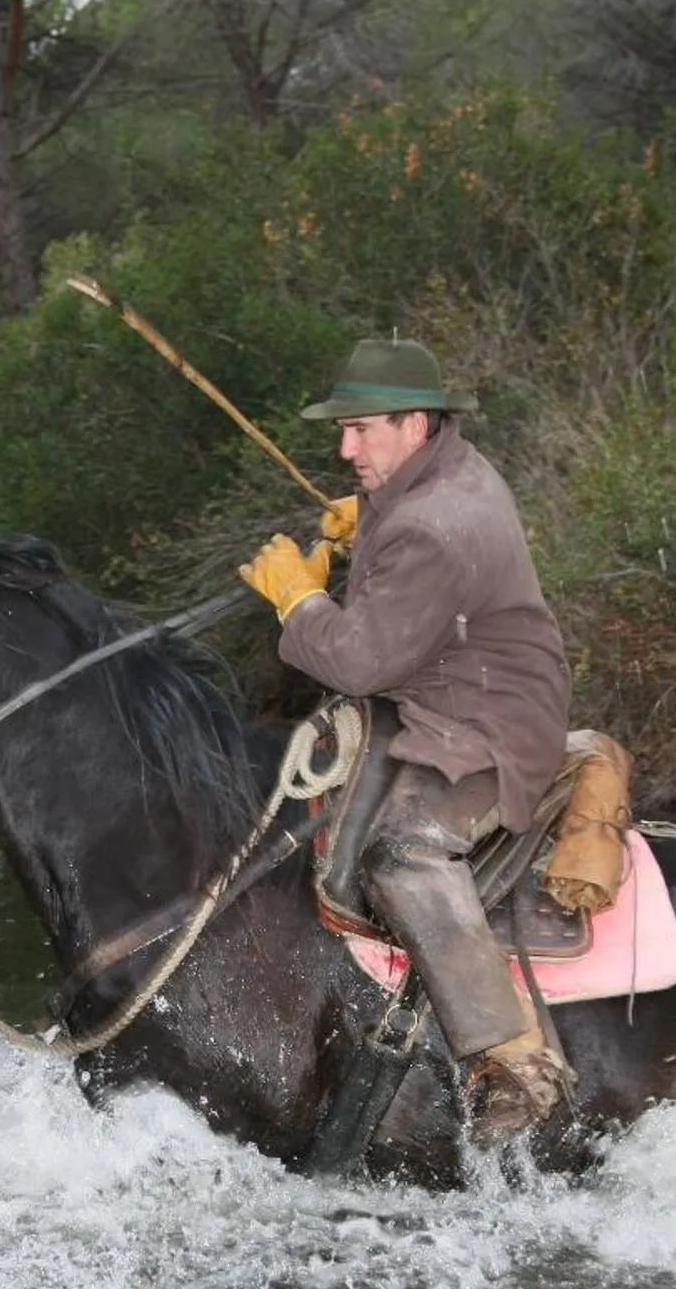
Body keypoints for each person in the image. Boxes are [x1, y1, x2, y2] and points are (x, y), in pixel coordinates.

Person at [238, 338, 576, 1146]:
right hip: (447, 694)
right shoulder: (440, 473)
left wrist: (297, 601)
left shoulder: (434, 522)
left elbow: (357, 661)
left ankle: (516, 1062)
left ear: (416, 423)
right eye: (343, 432)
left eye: (360, 431)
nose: (344, 449)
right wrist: (367, 515)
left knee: (404, 853)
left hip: (484, 724)